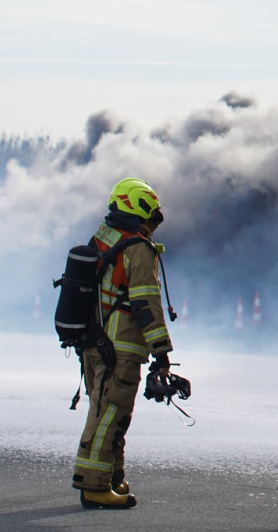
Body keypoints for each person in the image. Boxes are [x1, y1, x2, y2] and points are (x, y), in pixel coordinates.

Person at [72, 177, 176, 509]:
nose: (154, 223)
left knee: (106, 411)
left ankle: (112, 476)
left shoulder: (102, 238)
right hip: (120, 348)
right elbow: (146, 304)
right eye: (153, 215)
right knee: (111, 413)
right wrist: (161, 352)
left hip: (92, 344)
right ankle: (94, 486)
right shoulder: (137, 249)